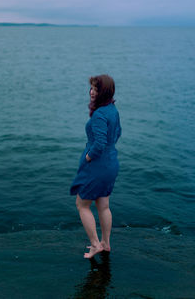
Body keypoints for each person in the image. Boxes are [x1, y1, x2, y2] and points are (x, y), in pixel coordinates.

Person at [70, 74, 121, 258]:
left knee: (82, 204)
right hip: (111, 162)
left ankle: (94, 245)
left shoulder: (99, 114)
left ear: (104, 92)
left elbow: (99, 144)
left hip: (98, 165)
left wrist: (89, 157)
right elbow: (117, 133)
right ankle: (106, 243)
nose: (92, 92)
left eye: (96, 89)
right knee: (103, 205)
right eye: (91, 88)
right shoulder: (112, 109)